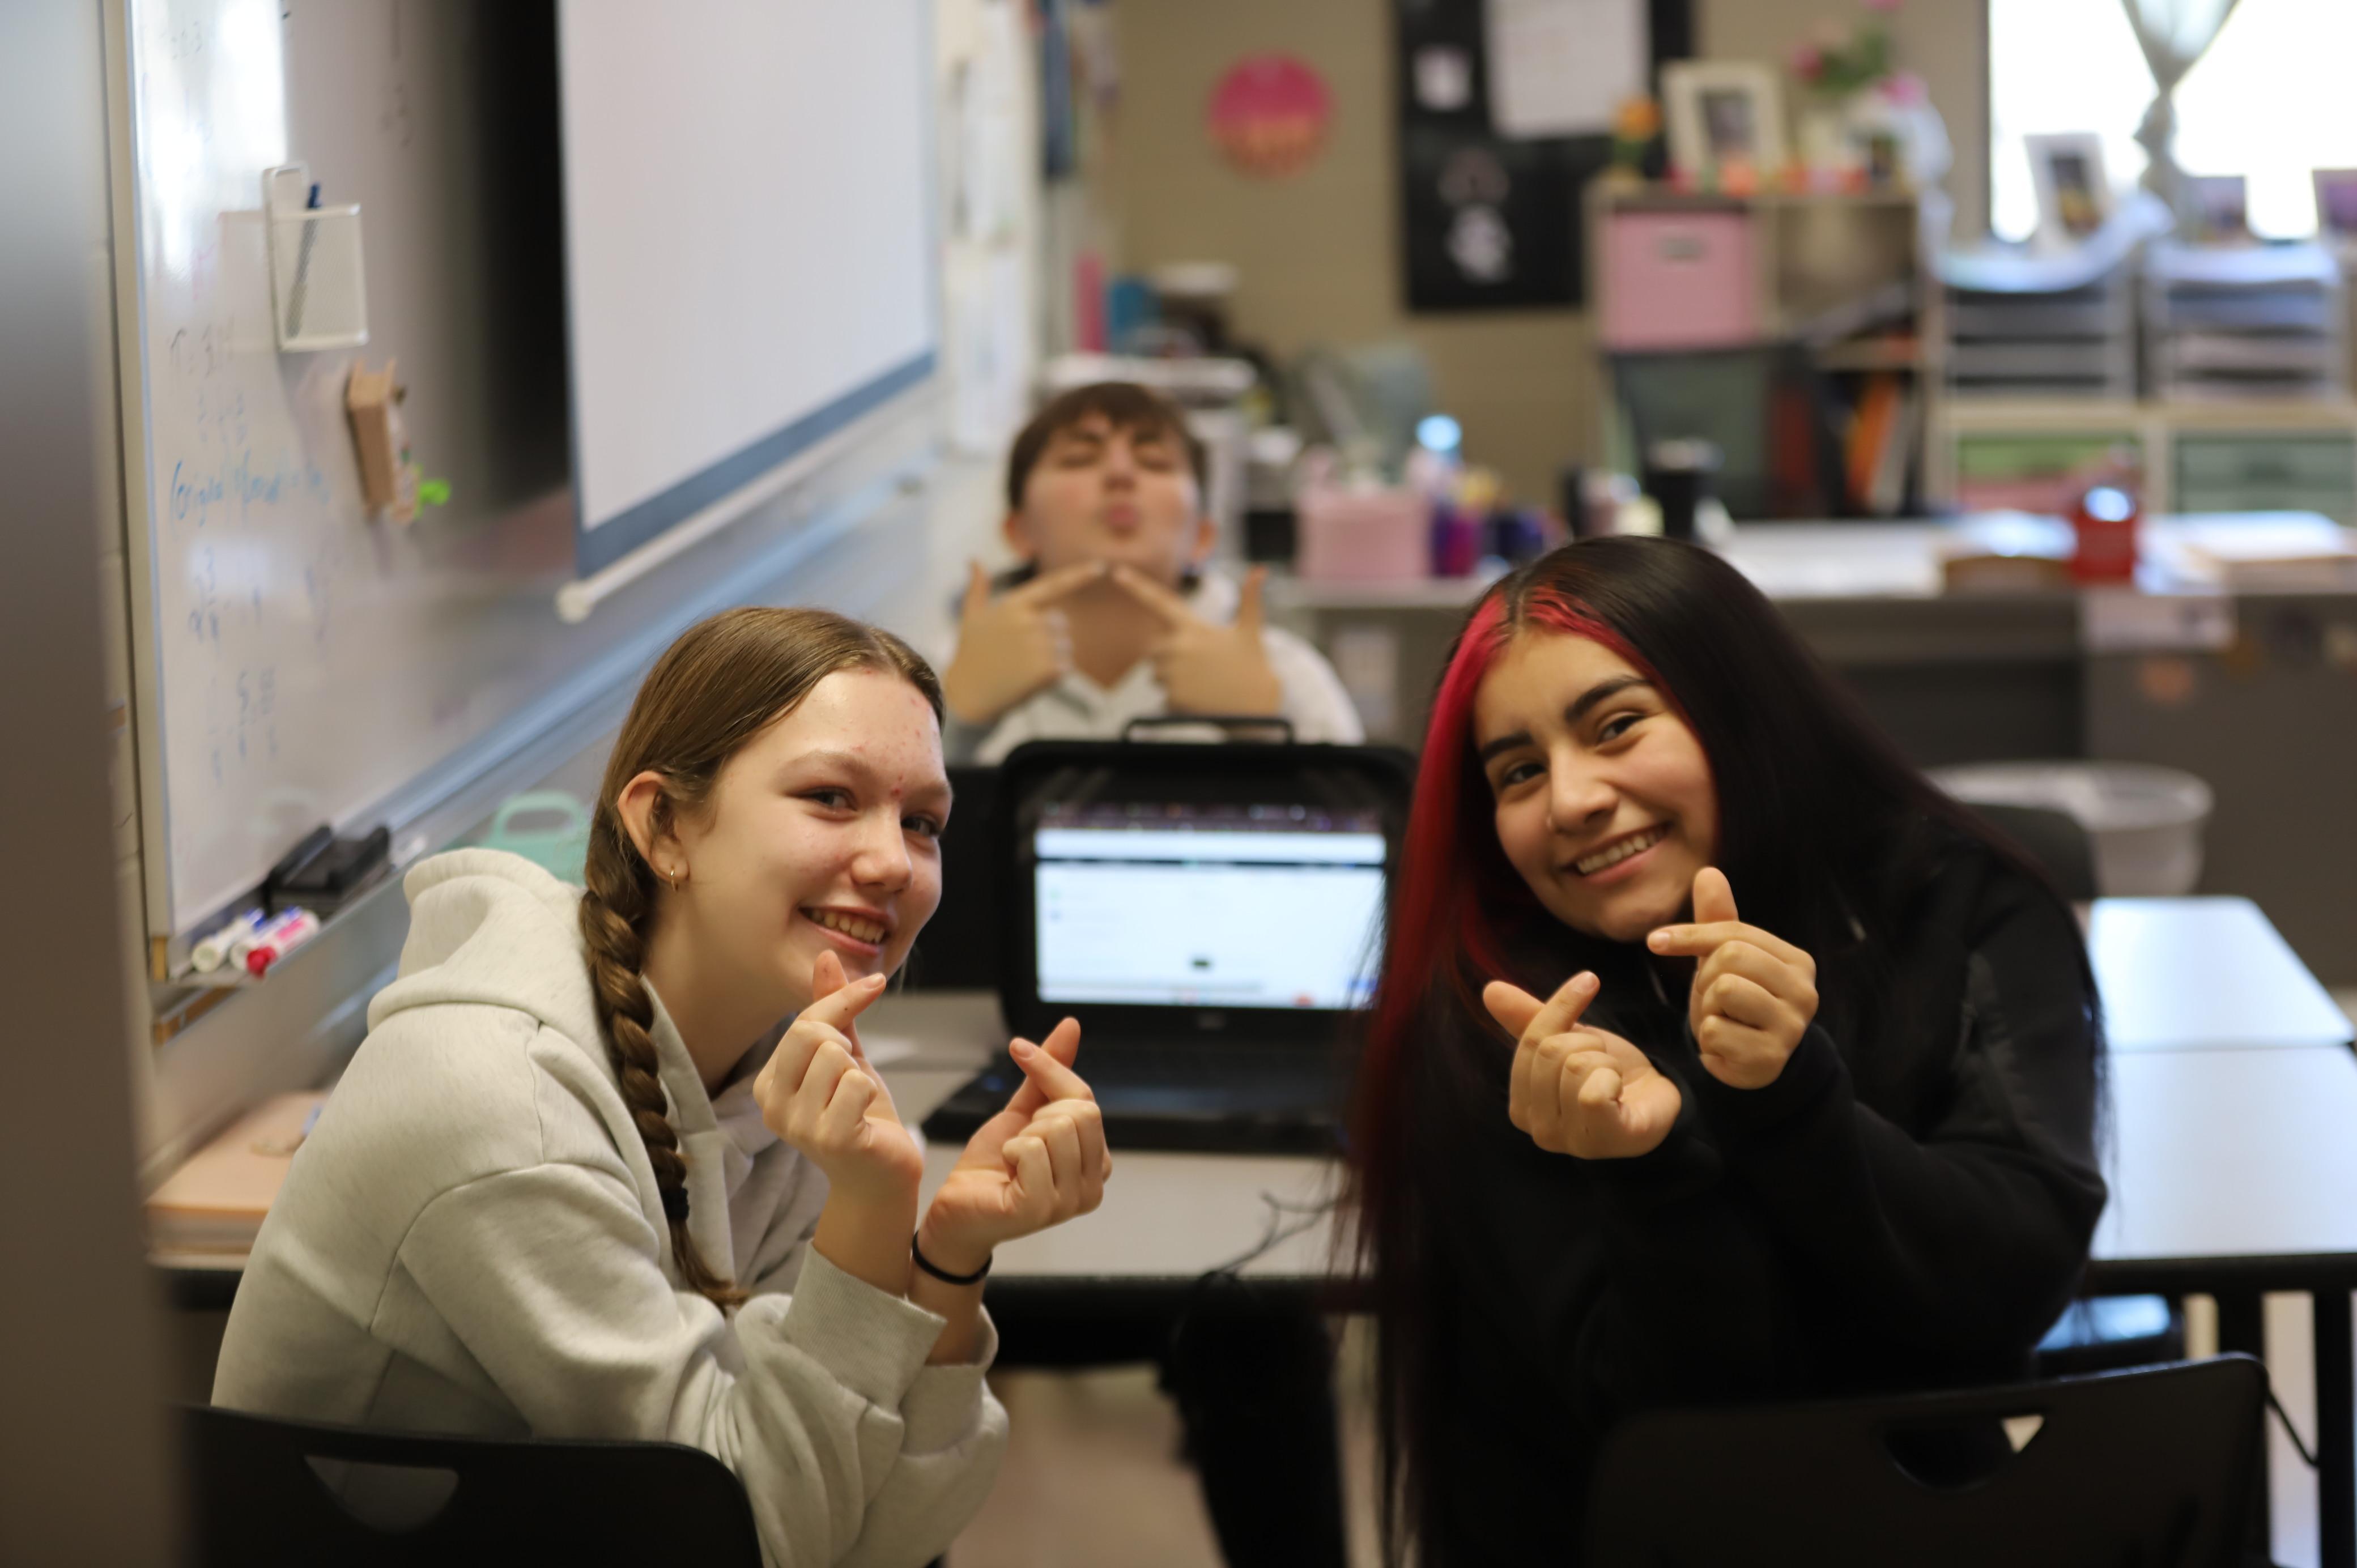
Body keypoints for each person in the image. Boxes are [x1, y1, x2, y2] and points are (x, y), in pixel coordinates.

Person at [214, 607, 1113, 1567]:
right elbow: (755, 1535)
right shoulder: (502, 1099)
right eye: (830, 797)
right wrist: (869, 1207)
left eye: (922, 820)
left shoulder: (782, 1054)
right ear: (665, 826)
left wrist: (947, 1256)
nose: (893, 860)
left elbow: (880, 1532)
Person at [1346, 538, 2107, 1566]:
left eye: (1616, 725)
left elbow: (2006, 1285)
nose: (1571, 798)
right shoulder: (1508, 1007)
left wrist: (1791, 1096)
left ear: (1742, 705)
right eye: (1519, 771)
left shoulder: (1959, 898)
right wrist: (1649, 1170)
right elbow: (1679, 1433)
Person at [938, 381, 1362, 763]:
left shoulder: (1286, 675)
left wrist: (1271, 726)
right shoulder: (942, 674)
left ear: (1203, 535)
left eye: (1155, 462)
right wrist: (956, 720)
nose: (1120, 474)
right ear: (1019, 530)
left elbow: (1368, 831)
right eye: (1080, 459)